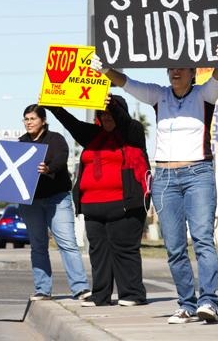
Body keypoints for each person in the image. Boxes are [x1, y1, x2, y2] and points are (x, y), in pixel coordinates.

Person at [90, 55, 218, 323]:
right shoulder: (159, 95)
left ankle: (209, 301)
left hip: (198, 174)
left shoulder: (205, 94)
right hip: (165, 178)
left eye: (181, 67)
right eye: (171, 67)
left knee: (203, 239)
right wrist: (104, 70)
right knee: (174, 246)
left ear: (194, 72)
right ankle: (186, 304)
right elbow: (127, 82)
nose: (175, 71)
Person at [45, 94, 150, 307]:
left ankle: (132, 294)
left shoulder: (133, 132)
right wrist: (54, 107)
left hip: (125, 204)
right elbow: (72, 124)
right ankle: (101, 295)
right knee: (98, 253)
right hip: (93, 206)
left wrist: (109, 102)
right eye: (102, 114)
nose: (106, 117)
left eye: (110, 113)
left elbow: (124, 120)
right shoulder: (93, 135)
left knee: (124, 250)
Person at [19, 104, 91, 301]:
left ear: (43, 121)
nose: (28, 122)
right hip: (31, 202)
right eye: (26, 119)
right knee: (38, 245)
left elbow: (61, 159)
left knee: (67, 243)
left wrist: (48, 168)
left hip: (57, 198)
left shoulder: (56, 139)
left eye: (32, 118)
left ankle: (81, 288)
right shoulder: (20, 144)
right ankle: (43, 289)